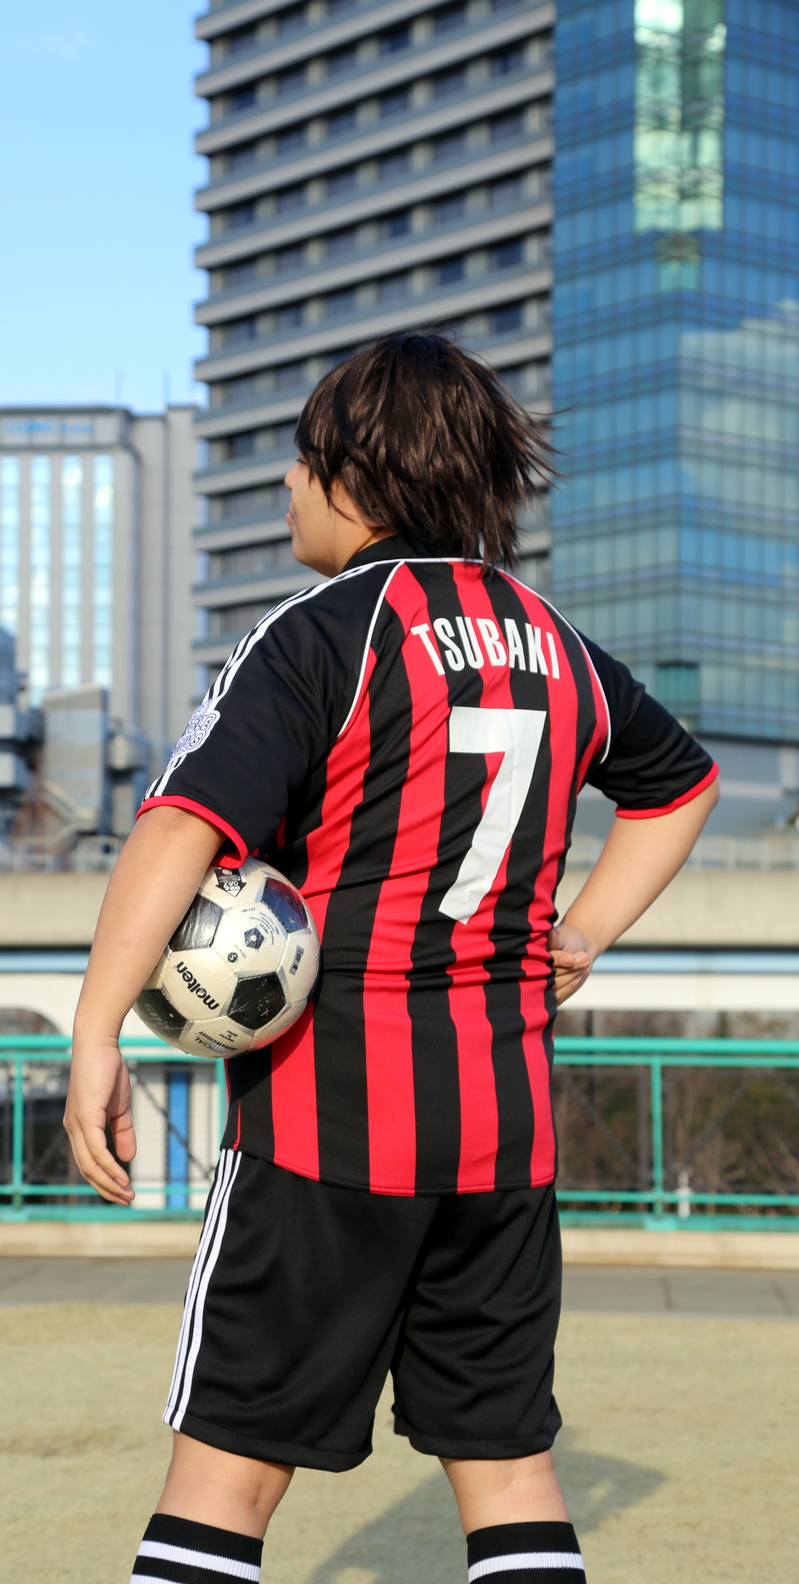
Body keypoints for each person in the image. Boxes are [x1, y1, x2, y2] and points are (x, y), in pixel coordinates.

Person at [64, 333, 719, 1584]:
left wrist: (95, 1033)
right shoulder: (553, 641)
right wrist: (581, 929)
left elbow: (177, 829)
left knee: (225, 1474)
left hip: (328, 1124)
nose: (287, 488)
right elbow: (679, 783)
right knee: (509, 1471)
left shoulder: (323, 632)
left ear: (356, 475)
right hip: (503, 1133)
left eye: (302, 462)